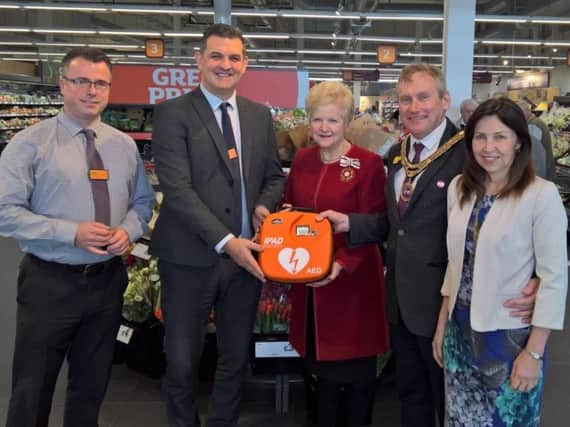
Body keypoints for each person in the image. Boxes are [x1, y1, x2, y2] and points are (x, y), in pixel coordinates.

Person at [318, 63, 538, 427]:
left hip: (452, 304)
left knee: (452, 401)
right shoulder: (397, 153)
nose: (414, 107)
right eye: (406, 99)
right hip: (401, 301)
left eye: (423, 97)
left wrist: (532, 277)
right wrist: (351, 223)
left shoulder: (471, 155)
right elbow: (396, 224)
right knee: (412, 396)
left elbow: (512, 217)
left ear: (444, 100)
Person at [0, 47, 155, 426]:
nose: (91, 90)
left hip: (106, 281)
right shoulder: (30, 144)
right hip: (49, 282)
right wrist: (72, 233)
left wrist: (129, 232)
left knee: (91, 385)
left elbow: (142, 202)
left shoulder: (122, 145)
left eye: (101, 82)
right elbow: (5, 212)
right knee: (32, 388)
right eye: (82, 81)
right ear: (63, 85)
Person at [150, 24, 284, 427]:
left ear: (244, 64)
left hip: (245, 261)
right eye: (217, 56)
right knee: (182, 361)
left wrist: (263, 204)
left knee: (234, 357)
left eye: (234, 58)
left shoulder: (259, 116)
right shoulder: (173, 113)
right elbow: (177, 189)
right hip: (189, 259)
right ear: (199, 60)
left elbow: (274, 176)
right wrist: (229, 242)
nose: (225, 65)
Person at [433, 97, 567, 426]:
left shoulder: (540, 195)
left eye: (500, 137)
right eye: (480, 136)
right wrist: (442, 327)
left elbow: (553, 278)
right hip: (460, 333)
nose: (488, 147)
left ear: (519, 142)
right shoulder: (459, 189)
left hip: (509, 340)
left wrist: (534, 352)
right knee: (460, 420)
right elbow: (456, 264)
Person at [284, 81, 390, 427]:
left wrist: (342, 263)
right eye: (318, 120)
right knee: (318, 381)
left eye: (333, 120)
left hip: (352, 288)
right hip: (310, 284)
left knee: (355, 381)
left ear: (347, 122)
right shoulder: (302, 159)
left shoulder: (368, 163)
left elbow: (377, 223)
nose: (324, 128)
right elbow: (291, 209)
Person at [517, 100, 555, 181]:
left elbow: (534, 154)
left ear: (523, 113)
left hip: (540, 174)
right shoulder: (535, 123)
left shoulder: (533, 126)